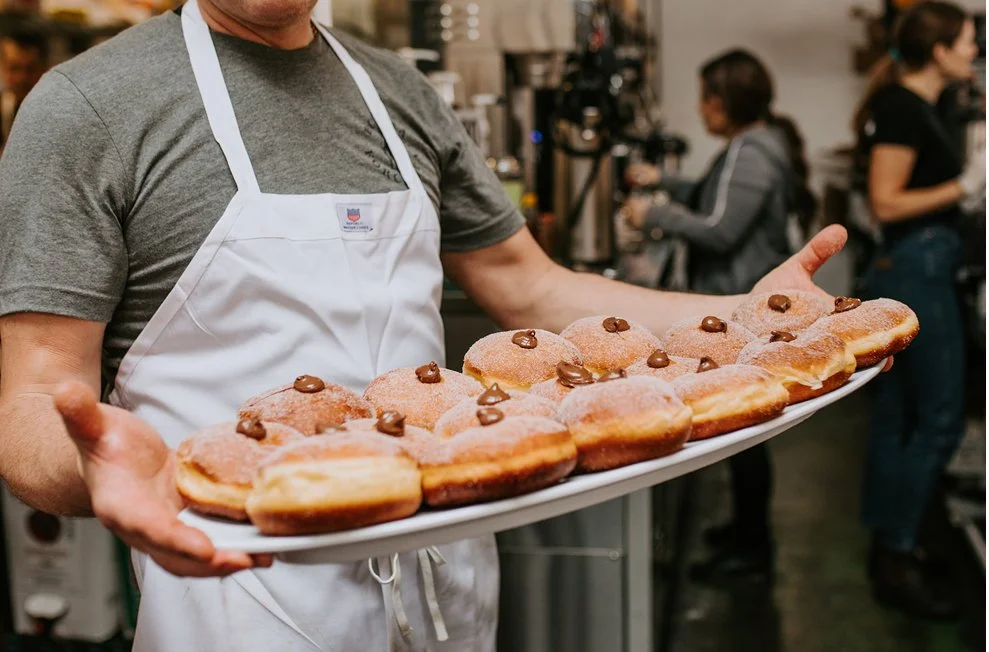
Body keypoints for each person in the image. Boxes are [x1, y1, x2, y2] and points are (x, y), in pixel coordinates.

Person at [0, 0, 851, 647]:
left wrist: (747, 318)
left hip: (446, 586)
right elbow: (33, 395)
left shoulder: (398, 92)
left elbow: (532, 291)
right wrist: (99, 478)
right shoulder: (90, 107)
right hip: (240, 596)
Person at [621, 49, 817, 582]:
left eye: (707, 97)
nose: (701, 107)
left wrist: (653, 212)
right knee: (742, 428)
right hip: (735, 300)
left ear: (726, 102)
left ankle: (752, 551)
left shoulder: (751, 151)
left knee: (746, 430)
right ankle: (744, 529)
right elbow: (714, 196)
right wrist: (661, 178)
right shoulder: (749, 146)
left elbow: (721, 228)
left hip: (739, 305)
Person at [853, 0, 983, 620]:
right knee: (938, 416)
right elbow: (885, 201)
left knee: (900, 414)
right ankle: (899, 552)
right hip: (919, 268)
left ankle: (891, 548)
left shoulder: (923, 106)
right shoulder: (904, 106)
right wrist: (965, 185)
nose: (975, 51)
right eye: (967, 41)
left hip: (917, 265)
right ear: (939, 49)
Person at [0, 31, 47, 153]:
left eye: (30, 69)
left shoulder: (55, 112)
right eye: (14, 68)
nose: (21, 79)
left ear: (45, 68)